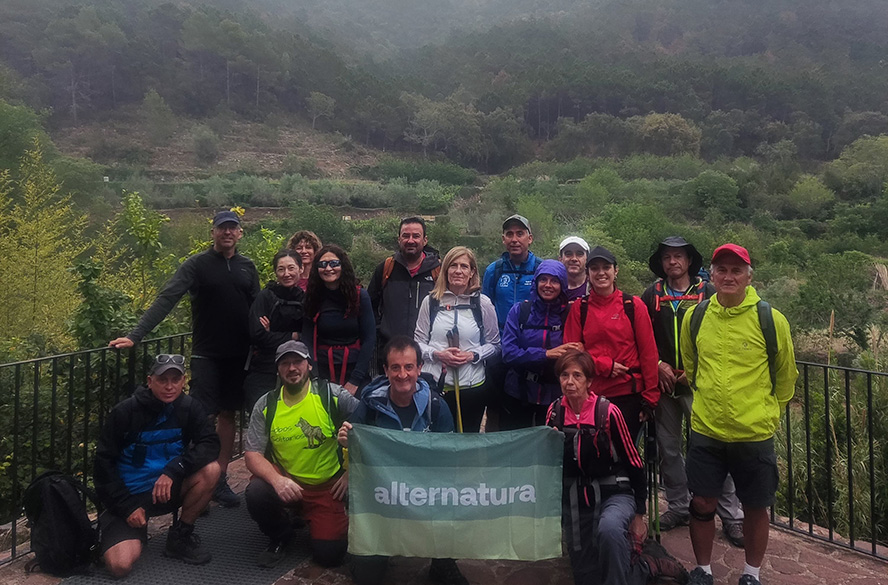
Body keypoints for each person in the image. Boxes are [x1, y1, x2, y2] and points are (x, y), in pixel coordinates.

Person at [109, 210, 259, 508]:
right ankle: (194, 479)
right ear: (213, 232)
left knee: (228, 415)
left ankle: (220, 478)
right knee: (200, 416)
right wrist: (135, 335)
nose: (227, 233)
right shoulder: (196, 265)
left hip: (240, 355)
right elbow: (168, 297)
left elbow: (259, 307)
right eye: (221, 228)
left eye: (233, 228)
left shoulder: (247, 267)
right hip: (207, 354)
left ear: (240, 233)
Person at [680, 244, 797, 585]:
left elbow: (786, 375)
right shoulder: (696, 316)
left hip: (754, 432)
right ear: (711, 276)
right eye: (722, 270)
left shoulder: (769, 319)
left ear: (748, 276)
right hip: (707, 427)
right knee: (702, 501)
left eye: (736, 270)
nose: (728, 276)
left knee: (756, 506)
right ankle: (702, 569)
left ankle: (751, 573)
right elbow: (692, 365)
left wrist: (769, 414)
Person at [546, 349, 686, 585]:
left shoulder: (607, 412)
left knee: (609, 532)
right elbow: (550, 463)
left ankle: (643, 568)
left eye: (577, 376)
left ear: (590, 381)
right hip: (576, 498)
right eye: (564, 375)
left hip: (615, 492)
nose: (570, 382)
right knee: (586, 575)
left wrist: (639, 513)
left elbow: (633, 462)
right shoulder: (555, 413)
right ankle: (644, 568)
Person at [641, 237, 744, 546]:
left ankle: (731, 515)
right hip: (664, 384)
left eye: (678, 256)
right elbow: (643, 336)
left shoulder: (708, 293)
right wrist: (658, 364)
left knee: (713, 449)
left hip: (699, 384)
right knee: (668, 448)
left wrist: (695, 372)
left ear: (689, 261)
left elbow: (722, 334)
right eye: (667, 257)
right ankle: (678, 506)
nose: (672, 262)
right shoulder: (651, 295)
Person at [338, 336, 466, 585]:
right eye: (395, 367)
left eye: (409, 367)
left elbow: (452, 456)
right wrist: (346, 442)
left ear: (419, 368)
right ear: (385, 370)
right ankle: (373, 550)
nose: (402, 374)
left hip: (425, 488)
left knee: (453, 495)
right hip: (383, 491)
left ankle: (442, 562)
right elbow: (355, 440)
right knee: (367, 577)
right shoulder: (371, 403)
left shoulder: (436, 405)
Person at [94, 354, 221, 577]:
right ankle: (132, 529)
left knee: (211, 470)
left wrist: (175, 469)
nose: (169, 387)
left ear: (184, 381)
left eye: (175, 379)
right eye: (163, 380)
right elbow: (103, 464)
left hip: (167, 489)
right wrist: (126, 506)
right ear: (150, 381)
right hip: (129, 496)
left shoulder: (189, 408)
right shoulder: (125, 412)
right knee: (119, 566)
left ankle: (180, 536)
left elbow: (209, 443)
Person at [244, 341, 358, 568]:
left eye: (297, 362)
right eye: (285, 363)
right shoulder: (266, 405)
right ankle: (280, 533)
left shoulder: (332, 395)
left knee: (329, 556)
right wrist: (277, 481)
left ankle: (317, 518)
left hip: (328, 485)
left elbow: (368, 427)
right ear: (278, 369)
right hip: (289, 481)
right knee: (256, 491)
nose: (292, 368)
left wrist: (351, 472)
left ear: (309, 366)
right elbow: (252, 454)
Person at [563, 246, 659, 441]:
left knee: (626, 456)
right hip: (590, 395)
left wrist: (650, 398)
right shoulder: (579, 309)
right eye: (595, 268)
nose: (601, 273)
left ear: (615, 271)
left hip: (628, 394)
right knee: (594, 454)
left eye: (606, 267)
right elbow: (570, 356)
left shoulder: (633, 306)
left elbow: (648, 353)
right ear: (588, 274)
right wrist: (604, 365)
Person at [414, 246, 500, 433]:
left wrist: (472, 355)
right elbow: (418, 343)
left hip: (472, 387)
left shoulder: (482, 303)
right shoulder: (430, 302)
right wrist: (437, 354)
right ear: (445, 270)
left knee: (467, 441)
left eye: (464, 266)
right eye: (453, 265)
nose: (458, 271)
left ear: (472, 272)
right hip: (436, 386)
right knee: (437, 442)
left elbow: (495, 344)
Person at [500, 260, 583, 429]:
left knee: (550, 447)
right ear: (536, 282)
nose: (548, 285)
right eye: (543, 279)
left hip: (555, 396)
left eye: (554, 281)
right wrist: (546, 354)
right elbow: (508, 353)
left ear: (563, 284)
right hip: (518, 392)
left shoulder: (570, 315)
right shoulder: (520, 311)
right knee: (516, 447)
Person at [303, 244, 375, 395]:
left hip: (354, 371)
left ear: (343, 266)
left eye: (334, 263)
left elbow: (369, 338)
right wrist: (315, 377)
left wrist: (355, 380)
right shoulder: (313, 297)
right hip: (323, 371)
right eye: (322, 264)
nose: (328, 268)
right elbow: (307, 339)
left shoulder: (359, 296)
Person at [367, 216, 441, 355]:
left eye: (416, 236)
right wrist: (380, 330)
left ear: (425, 240)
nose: (410, 240)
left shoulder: (438, 271)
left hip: (429, 352)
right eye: (406, 236)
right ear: (399, 239)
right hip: (391, 350)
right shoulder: (386, 268)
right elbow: (370, 305)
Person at [244, 249, 305, 411]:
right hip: (264, 369)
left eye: (291, 268)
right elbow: (257, 335)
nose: (286, 273)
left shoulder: (306, 299)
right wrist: (294, 336)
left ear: (301, 269)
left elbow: (309, 335)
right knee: (262, 420)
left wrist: (273, 333)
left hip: (297, 371)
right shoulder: (265, 297)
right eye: (281, 269)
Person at [482, 214, 543, 330]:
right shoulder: (493, 270)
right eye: (510, 234)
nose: (514, 240)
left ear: (530, 238)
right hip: (502, 339)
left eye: (520, 234)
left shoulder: (541, 269)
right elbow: (485, 309)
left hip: (533, 339)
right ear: (503, 239)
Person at [559, 236, 591, 301]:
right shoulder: (553, 287)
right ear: (560, 259)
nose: (574, 259)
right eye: (568, 254)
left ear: (587, 259)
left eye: (579, 254)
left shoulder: (596, 287)